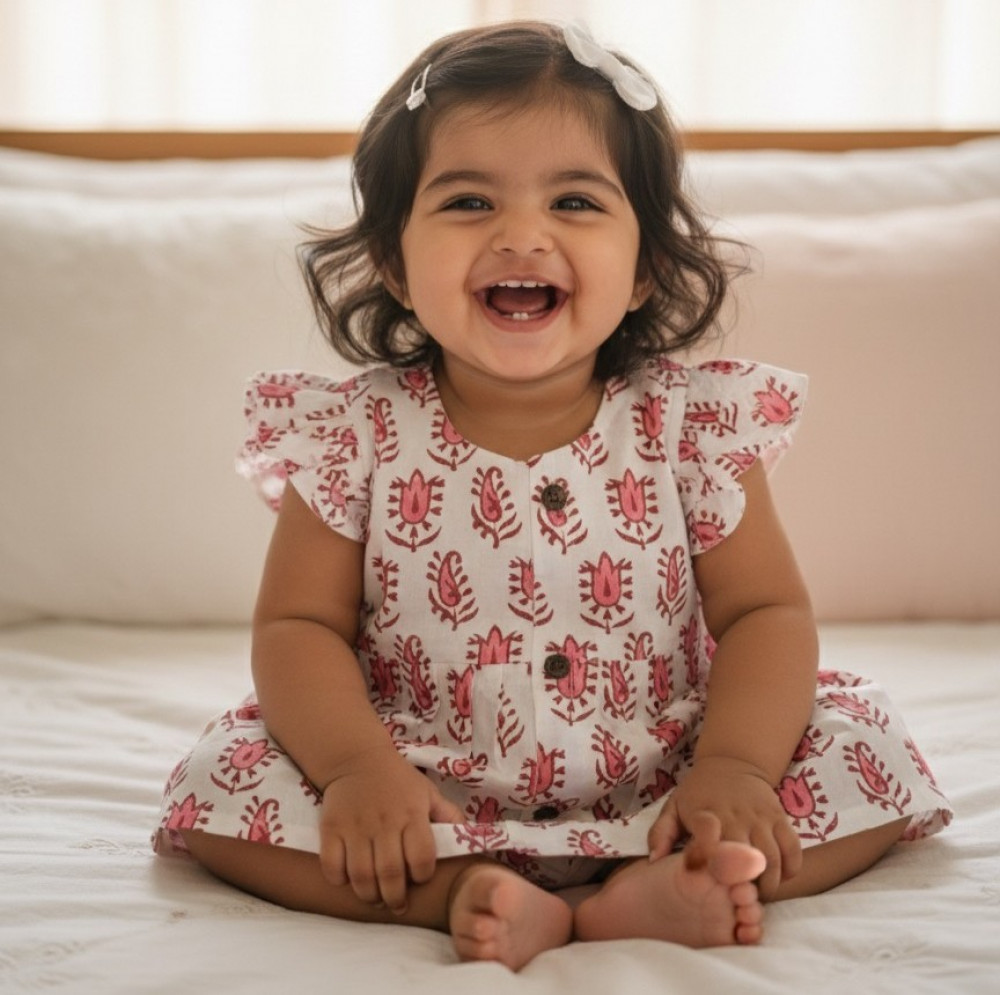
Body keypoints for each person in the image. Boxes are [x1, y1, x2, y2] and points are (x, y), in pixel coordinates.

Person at [153, 20, 951, 970]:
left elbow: (765, 612)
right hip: (422, 779)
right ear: (397, 265)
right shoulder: (351, 435)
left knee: (870, 753)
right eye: (467, 201)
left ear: (647, 262)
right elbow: (297, 627)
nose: (520, 234)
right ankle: (458, 891)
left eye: (574, 200)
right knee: (219, 790)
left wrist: (733, 769)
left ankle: (672, 881)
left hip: (667, 770)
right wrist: (358, 771)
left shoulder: (690, 426)